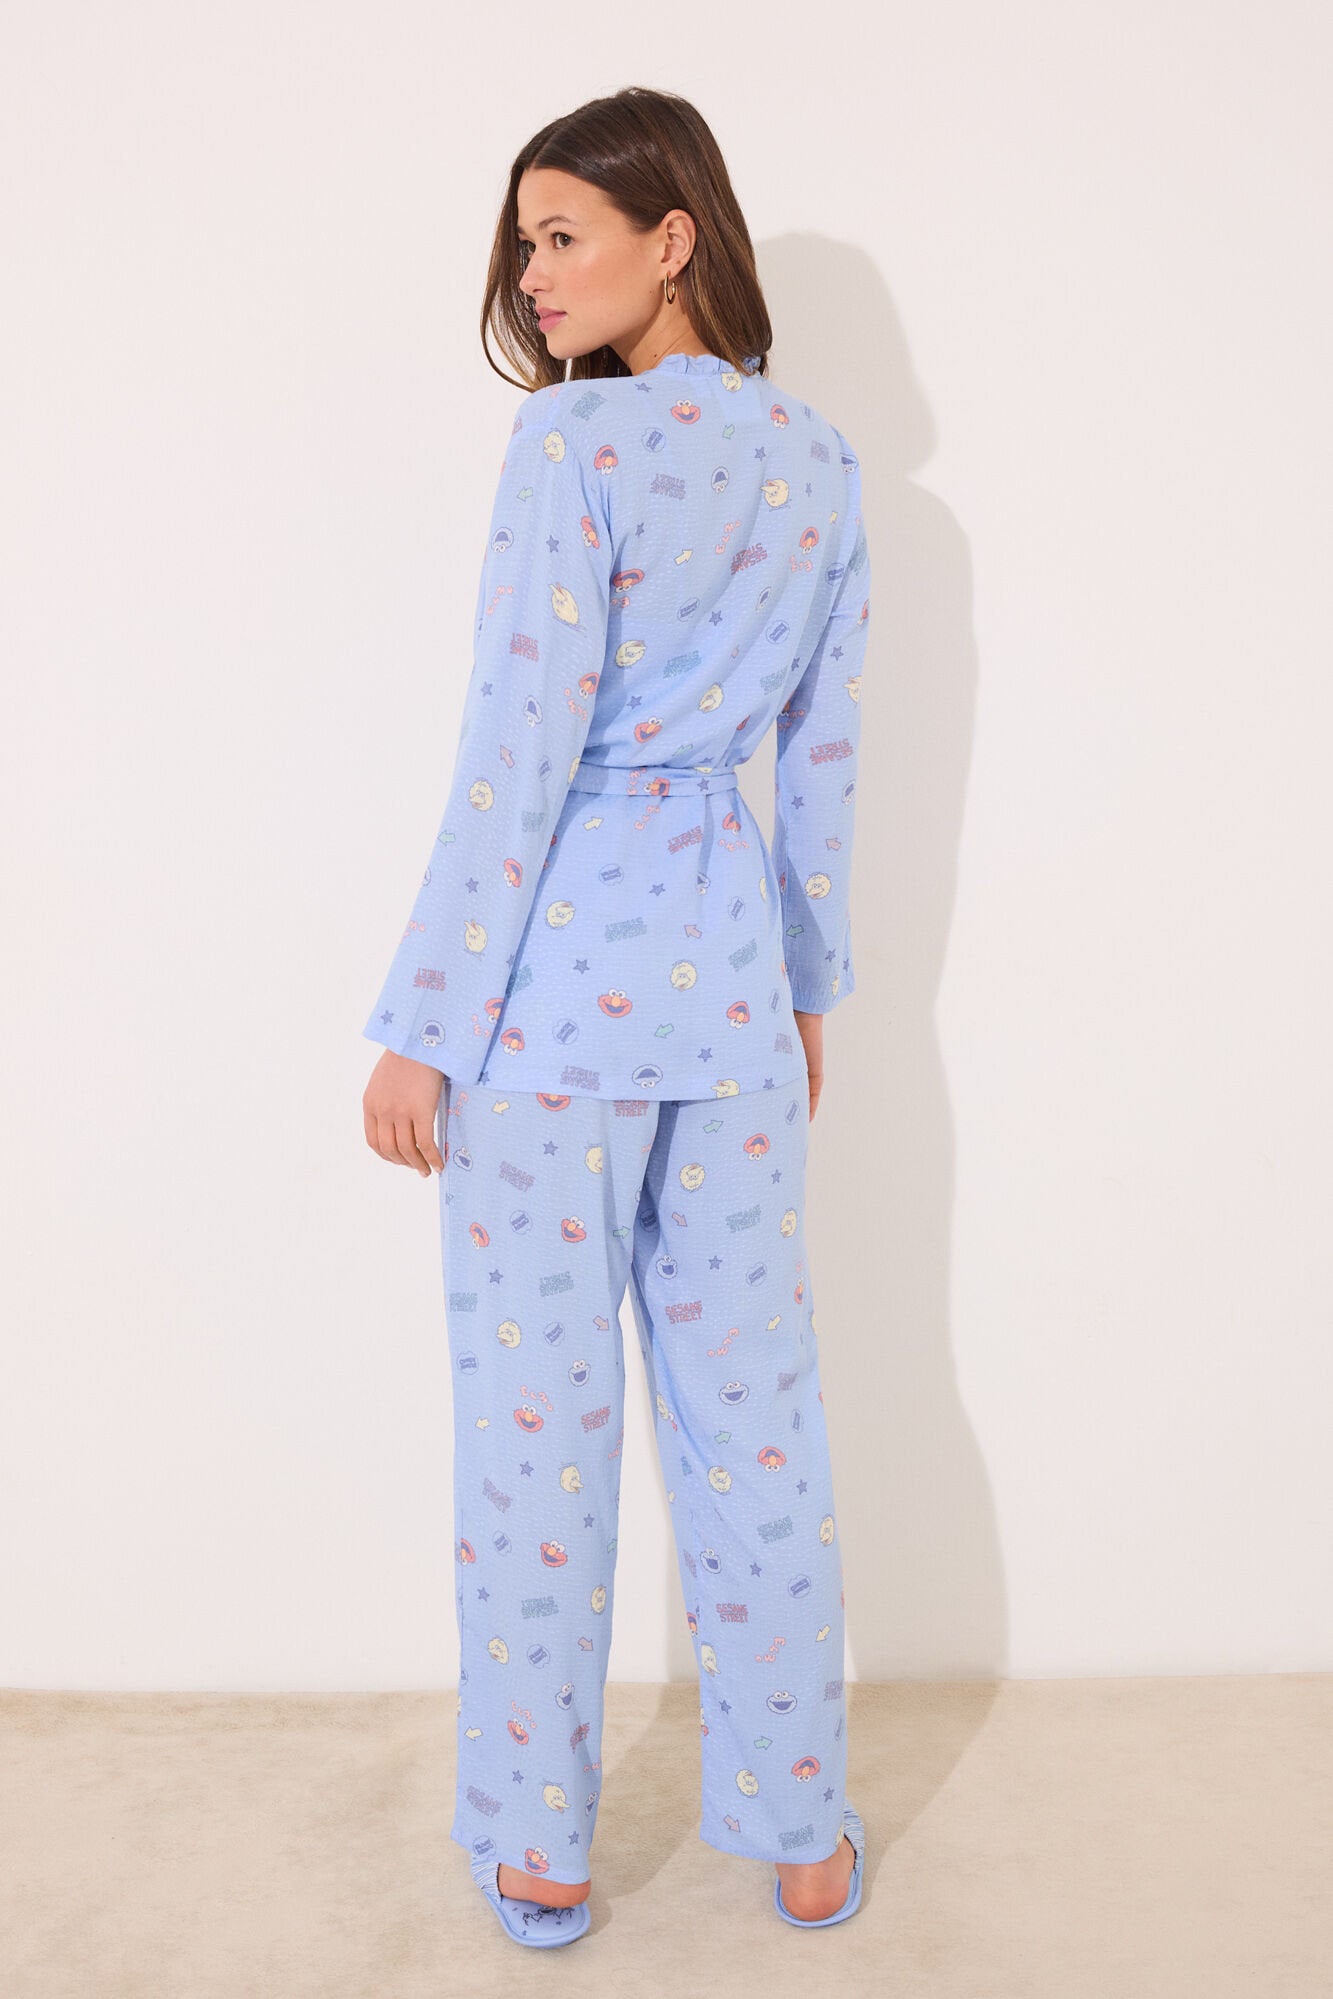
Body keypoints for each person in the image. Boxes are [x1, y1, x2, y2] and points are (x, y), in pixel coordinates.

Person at [361, 86, 870, 1948]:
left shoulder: (569, 450)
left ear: (674, 238)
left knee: (538, 1437)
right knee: (757, 1429)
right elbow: (821, 764)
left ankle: (542, 1843)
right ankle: (802, 1831)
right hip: (727, 994)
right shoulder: (818, 463)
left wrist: (422, 1022)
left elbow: (517, 751)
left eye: (563, 233)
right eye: (524, 241)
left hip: (549, 1015)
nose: (532, 272)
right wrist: (804, 991)